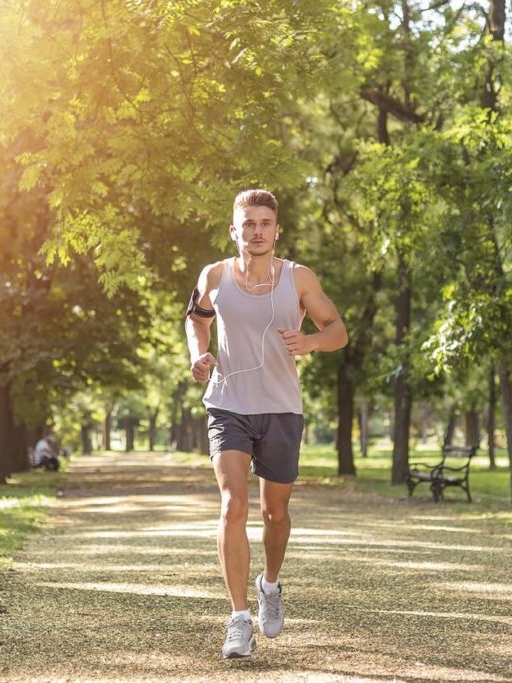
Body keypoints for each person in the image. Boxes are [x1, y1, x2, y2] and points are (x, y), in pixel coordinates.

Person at [184, 189, 348, 659]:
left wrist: (311, 343)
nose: (256, 232)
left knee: (274, 515)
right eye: (247, 224)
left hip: (280, 407)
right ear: (234, 230)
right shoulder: (214, 275)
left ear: (276, 230)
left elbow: (337, 330)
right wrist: (199, 355)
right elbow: (196, 320)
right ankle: (238, 620)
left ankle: (269, 584)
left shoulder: (298, 278)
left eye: (264, 224)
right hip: (228, 404)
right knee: (233, 505)